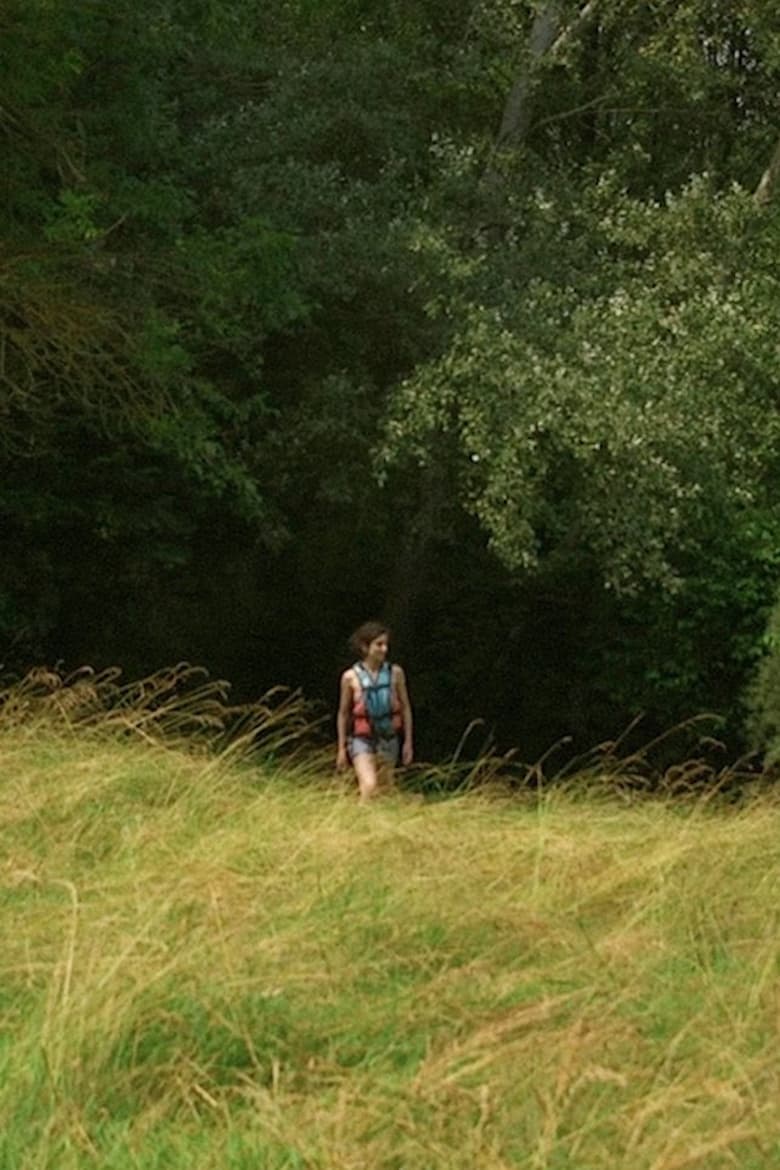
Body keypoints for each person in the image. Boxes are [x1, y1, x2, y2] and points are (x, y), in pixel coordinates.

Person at [336, 621, 414, 801]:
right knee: (369, 786)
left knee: (385, 789)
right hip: (361, 739)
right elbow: (343, 713)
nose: (384, 649)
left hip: (388, 737)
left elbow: (405, 708)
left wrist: (408, 741)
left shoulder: (396, 673)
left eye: (385, 644)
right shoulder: (350, 677)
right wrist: (341, 748)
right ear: (365, 647)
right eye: (379, 644)